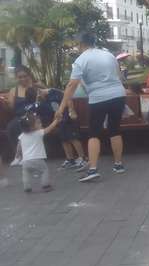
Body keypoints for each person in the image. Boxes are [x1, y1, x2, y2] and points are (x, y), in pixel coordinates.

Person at [55, 32, 127, 183]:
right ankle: (118, 165)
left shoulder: (80, 60)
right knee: (115, 129)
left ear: (81, 44)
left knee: (94, 133)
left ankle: (93, 169)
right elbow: (120, 76)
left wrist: (61, 109)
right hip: (118, 94)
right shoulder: (108, 55)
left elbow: (71, 85)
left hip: (99, 98)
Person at [5, 66, 47, 165]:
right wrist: (7, 103)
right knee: (11, 127)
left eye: (25, 76)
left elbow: (46, 100)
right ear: (17, 78)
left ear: (29, 75)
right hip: (19, 116)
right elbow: (11, 108)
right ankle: (18, 156)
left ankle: (27, 156)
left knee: (28, 124)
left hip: (35, 115)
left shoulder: (37, 87)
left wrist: (43, 88)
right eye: (20, 77)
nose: (23, 79)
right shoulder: (13, 90)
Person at [17, 112, 60, 193]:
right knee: (44, 170)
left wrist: (18, 155)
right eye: (38, 123)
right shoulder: (38, 133)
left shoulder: (22, 135)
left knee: (25, 173)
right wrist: (56, 120)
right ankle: (46, 185)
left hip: (25, 160)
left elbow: (19, 146)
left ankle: (27, 187)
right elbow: (50, 128)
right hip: (37, 159)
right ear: (32, 126)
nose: (41, 124)